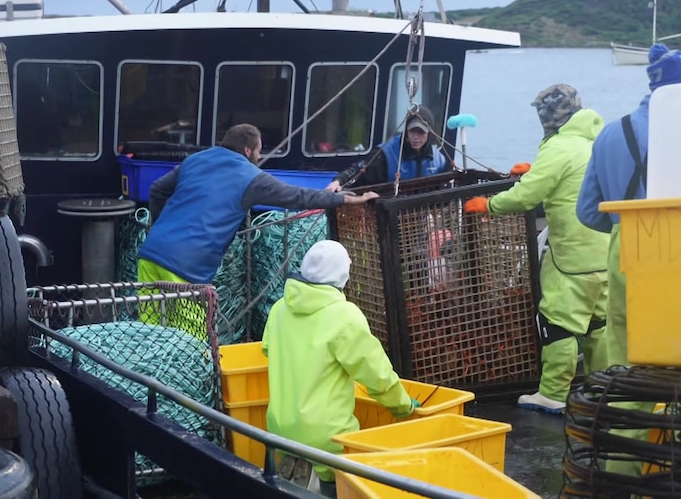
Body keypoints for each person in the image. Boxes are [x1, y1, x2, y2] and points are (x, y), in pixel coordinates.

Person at [576, 45, 681, 479]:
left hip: (624, 250)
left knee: (631, 372)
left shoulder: (611, 133)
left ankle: (620, 476)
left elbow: (588, 212)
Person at [136, 124, 378, 334]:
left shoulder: (195, 160)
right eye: (259, 150)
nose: (260, 155)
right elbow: (298, 196)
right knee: (192, 343)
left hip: (151, 256)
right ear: (248, 150)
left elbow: (157, 189)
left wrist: (157, 228)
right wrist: (345, 199)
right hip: (186, 269)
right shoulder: (251, 177)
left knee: (152, 336)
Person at [464, 84, 610, 414]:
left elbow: (526, 196)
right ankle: (603, 388)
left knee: (558, 323)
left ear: (550, 115)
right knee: (599, 325)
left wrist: (489, 205)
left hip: (572, 256)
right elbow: (568, 180)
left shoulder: (560, 147)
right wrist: (535, 171)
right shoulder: (597, 142)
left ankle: (553, 395)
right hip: (605, 251)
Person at [262, 240, 418, 497]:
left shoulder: (279, 309)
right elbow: (376, 375)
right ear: (342, 275)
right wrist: (403, 406)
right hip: (329, 441)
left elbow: (270, 350)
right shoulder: (344, 315)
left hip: (280, 431)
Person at [325, 106, 451, 192]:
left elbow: (445, 188)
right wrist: (339, 181)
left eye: (421, 132)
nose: (416, 137)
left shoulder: (439, 160)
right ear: (406, 131)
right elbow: (359, 170)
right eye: (412, 131)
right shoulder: (386, 154)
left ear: (429, 134)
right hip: (390, 213)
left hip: (422, 217)